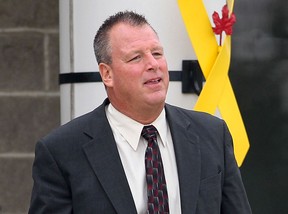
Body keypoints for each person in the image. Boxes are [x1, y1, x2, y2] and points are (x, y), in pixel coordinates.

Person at [29, 11, 252, 214]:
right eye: (136, 57)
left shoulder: (212, 134)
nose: (153, 64)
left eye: (157, 53)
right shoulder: (61, 152)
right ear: (107, 74)